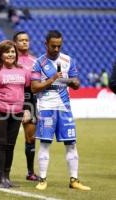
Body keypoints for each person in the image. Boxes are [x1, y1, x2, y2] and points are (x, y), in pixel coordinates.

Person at [31, 30, 91, 191]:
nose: (56, 49)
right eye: (53, 46)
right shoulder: (38, 63)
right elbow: (34, 87)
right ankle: (42, 179)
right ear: (46, 44)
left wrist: (71, 81)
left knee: (71, 144)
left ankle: (74, 180)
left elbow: (77, 83)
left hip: (64, 108)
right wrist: (52, 79)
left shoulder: (68, 60)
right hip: (46, 108)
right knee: (45, 144)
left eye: (59, 46)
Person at [0, 40, 31, 188]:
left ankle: (7, 176)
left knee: (11, 145)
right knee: (1, 143)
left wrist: (27, 109)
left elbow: (28, 92)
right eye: (7, 52)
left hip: (17, 112)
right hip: (0, 111)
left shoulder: (23, 70)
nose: (10, 54)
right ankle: (0, 177)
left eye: (13, 52)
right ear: (0, 54)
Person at [13, 31, 39, 181]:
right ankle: (4, 171)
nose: (24, 42)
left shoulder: (35, 61)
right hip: (12, 99)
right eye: (21, 40)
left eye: (27, 40)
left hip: (29, 100)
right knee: (7, 139)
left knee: (30, 138)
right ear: (15, 43)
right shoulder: (9, 59)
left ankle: (30, 172)